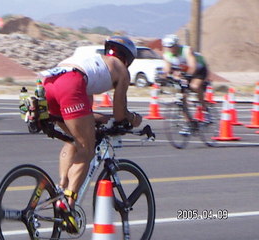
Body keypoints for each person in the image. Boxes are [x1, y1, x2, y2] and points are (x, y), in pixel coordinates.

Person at [39, 35, 142, 233]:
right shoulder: (121, 70)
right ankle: (68, 203)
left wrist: (102, 118)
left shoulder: (92, 65)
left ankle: (60, 188)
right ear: (127, 59)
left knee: (73, 140)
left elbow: (82, 112)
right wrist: (132, 118)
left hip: (49, 83)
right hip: (70, 84)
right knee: (87, 149)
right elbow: (119, 113)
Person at [161, 34, 209, 120]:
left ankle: (204, 107)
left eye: (172, 47)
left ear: (176, 45)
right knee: (182, 98)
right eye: (168, 47)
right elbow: (167, 69)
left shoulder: (186, 50)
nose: (170, 49)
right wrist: (164, 77)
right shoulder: (167, 55)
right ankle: (189, 122)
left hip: (199, 69)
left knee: (194, 86)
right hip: (184, 72)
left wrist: (185, 77)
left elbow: (192, 66)